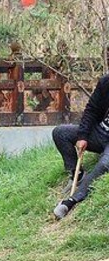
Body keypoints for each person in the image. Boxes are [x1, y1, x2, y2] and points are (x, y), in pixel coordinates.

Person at [53, 73, 109, 219]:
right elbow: (92, 110)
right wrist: (83, 136)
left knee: (104, 164)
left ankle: (71, 201)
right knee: (60, 133)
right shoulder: (106, 82)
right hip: (100, 132)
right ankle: (78, 176)